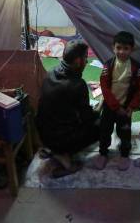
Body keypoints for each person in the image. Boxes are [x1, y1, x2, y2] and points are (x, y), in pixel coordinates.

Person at [36, 40, 99, 178]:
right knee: (101, 125)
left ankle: (54, 149)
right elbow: (87, 119)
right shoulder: (77, 85)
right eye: (85, 58)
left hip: (42, 136)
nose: (87, 62)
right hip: (60, 140)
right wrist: (100, 109)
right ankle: (63, 156)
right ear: (77, 61)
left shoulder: (50, 72)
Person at [94, 31, 140, 171]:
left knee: (125, 132)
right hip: (111, 106)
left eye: (126, 48)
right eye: (118, 48)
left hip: (126, 108)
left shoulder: (137, 67)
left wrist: (131, 107)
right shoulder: (108, 65)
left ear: (132, 49)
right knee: (105, 130)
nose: (122, 52)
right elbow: (104, 88)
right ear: (113, 48)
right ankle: (103, 153)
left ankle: (124, 154)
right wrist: (115, 107)